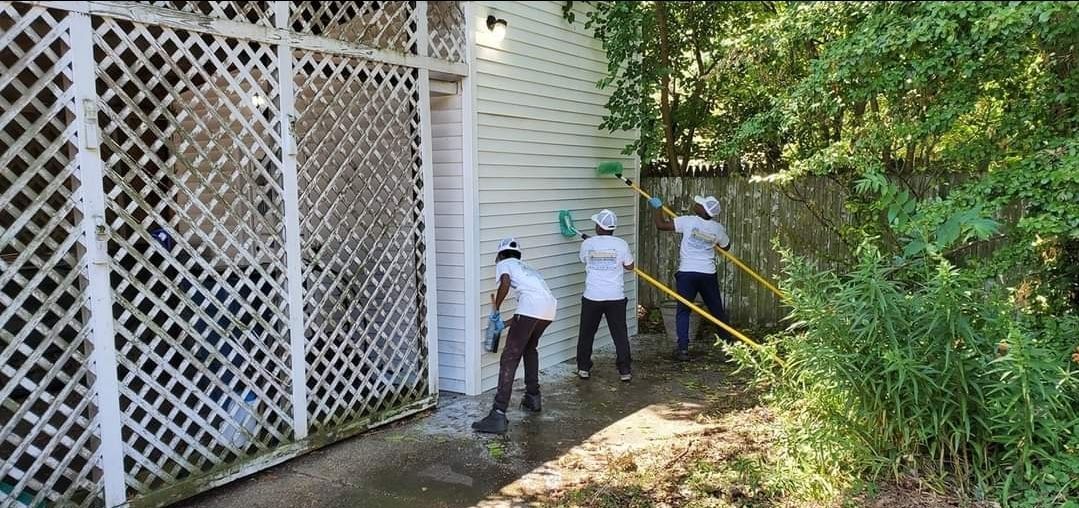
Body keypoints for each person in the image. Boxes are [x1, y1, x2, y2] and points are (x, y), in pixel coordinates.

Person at [472, 237, 558, 434]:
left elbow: (505, 282)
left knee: (509, 358)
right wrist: (504, 324)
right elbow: (528, 313)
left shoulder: (505, 263)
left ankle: (498, 413)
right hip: (549, 309)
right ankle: (532, 397)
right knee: (529, 349)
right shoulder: (527, 269)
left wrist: (496, 309)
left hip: (532, 309)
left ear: (501, 254)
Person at [652, 195, 731, 361]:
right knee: (716, 310)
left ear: (703, 210)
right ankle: (728, 346)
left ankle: (683, 350)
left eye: (699, 204)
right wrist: (710, 239)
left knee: (683, 310)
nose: (696, 204)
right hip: (707, 273)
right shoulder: (717, 228)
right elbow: (726, 246)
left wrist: (658, 208)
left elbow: (661, 225)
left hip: (687, 273)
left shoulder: (688, 221)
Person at [576, 209, 635, 382]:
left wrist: (594, 247)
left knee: (587, 333)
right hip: (615, 297)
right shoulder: (621, 244)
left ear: (598, 227)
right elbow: (630, 266)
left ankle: (584, 368)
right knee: (619, 334)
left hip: (592, 296)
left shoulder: (588, 244)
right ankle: (625, 370)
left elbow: (583, 260)